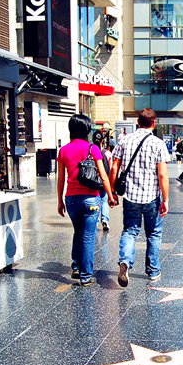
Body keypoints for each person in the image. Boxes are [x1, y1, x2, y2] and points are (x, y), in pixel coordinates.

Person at [109, 107, 170, 286]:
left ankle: (125, 262)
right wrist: (165, 199)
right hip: (152, 196)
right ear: (154, 123)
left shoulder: (125, 140)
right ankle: (153, 271)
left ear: (137, 123)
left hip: (130, 196)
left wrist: (112, 191)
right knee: (153, 233)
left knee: (130, 231)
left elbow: (114, 167)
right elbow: (163, 175)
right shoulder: (158, 144)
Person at [57, 114, 117, 286]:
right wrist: (110, 196)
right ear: (87, 130)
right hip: (91, 198)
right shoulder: (93, 149)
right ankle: (85, 275)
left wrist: (59, 201)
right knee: (88, 236)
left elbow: (61, 179)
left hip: (71, 199)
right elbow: (104, 176)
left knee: (78, 231)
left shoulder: (63, 151)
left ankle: (76, 266)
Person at [93, 130, 112, 231]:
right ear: (102, 142)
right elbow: (111, 167)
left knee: (96, 201)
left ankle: (95, 222)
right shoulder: (107, 153)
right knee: (104, 200)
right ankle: (105, 220)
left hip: (93, 181)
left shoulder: (90, 151)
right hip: (104, 181)